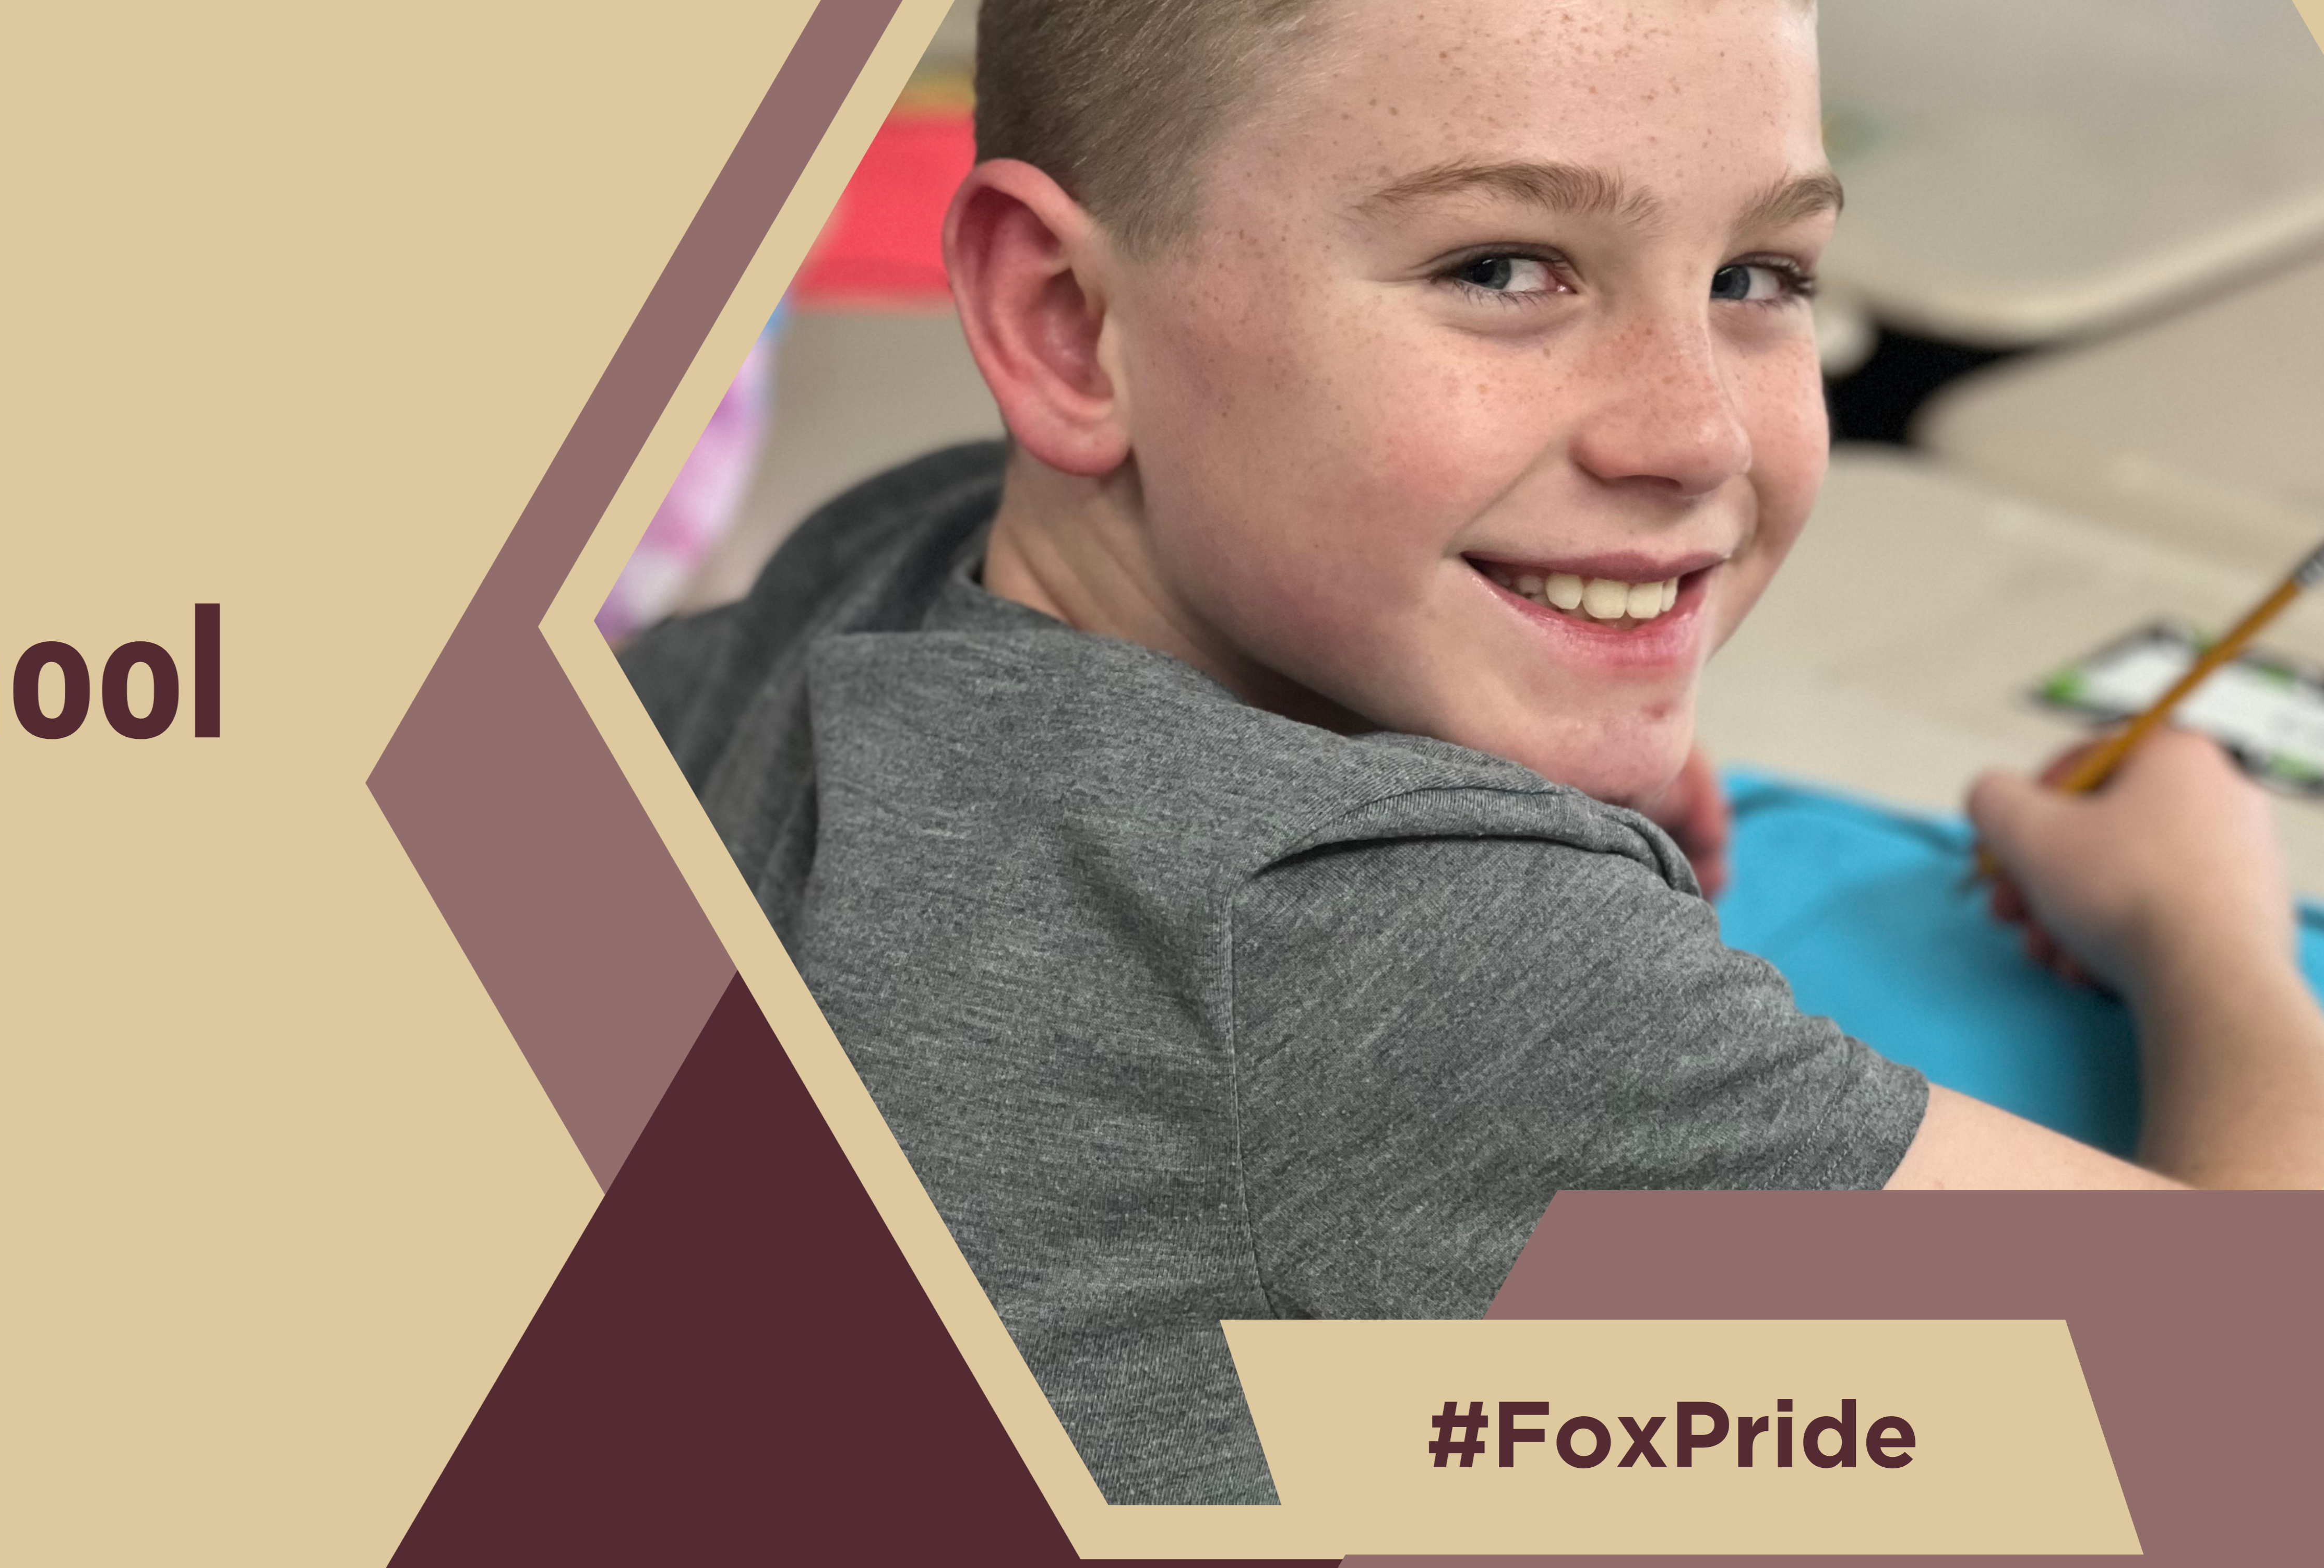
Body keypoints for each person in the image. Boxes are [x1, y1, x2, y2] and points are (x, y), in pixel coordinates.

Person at [621, 0, 2324, 1506]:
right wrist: (2206, 931)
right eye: (1498, 270)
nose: (1696, 431)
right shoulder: (1374, 947)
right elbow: (2257, 1412)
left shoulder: (888, 561)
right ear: (1066, 320)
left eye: (1758, 277)